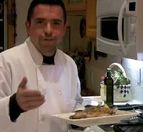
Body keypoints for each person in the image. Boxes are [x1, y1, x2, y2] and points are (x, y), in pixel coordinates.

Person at [0, 0, 83, 131]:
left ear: (64, 28)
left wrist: (82, 116)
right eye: (40, 22)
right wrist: (14, 104)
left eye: (56, 23)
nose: (48, 30)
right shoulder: (6, 62)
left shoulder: (69, 64)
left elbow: (76, 105)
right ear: (28, 26)